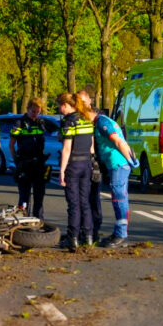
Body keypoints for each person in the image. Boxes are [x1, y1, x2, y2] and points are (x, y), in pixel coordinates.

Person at [83, 108, 140, 248]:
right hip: (117, 164)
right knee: (119, 197)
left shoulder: (102, 122)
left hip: (118, 164)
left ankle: (121, 235)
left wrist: (130, 159)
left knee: (119, 198)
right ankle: (119, 233)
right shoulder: (102, 121)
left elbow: (118, 141)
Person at [58, 93, 95, 251]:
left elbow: (67, 148)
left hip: (73, 164)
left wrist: (61, 170)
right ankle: (88, 236)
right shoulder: (86, 118)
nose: (60, 109)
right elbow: (91, 145)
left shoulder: (69, 121)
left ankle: (73, 238)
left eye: (60, 106)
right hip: (86, 163)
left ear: (66, 105)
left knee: (73, 204)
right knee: (85, 202)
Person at [10, 98, 48, 218]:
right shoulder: (19, 123)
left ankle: (38, 220)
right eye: (33, 111)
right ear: (27, 109)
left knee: (39, 194)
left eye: (38, 112)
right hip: (25, 163)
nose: (35, 114)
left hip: (39, 163)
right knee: (24, 195)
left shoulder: (40, 123)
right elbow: (11, 144)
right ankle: (22, 220)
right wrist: (16, 159)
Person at [76, 86, 103, 243]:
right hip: (80, 161)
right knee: (80, 199)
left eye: (83, 101)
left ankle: (95, 230)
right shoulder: (76, 117)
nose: (81, 104)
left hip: (95, 161)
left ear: (90, 101)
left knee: (93, 198)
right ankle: (82, 230)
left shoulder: (98, 116)